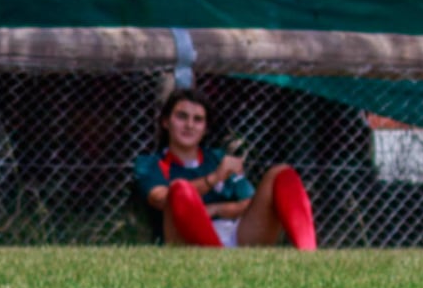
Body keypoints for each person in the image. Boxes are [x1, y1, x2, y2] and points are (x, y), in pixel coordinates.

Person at [132, 87, 317, 249]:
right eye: (182, 117)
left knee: (281, 173)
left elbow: (249, 203)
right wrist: (215, 178)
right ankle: (217, 260)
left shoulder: (218, 157)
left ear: (205, 129)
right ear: (166, 122)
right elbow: (160, 199)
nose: (189, 125)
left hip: (237, 234)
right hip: (186, 241)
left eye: (198, 120)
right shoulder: (150, 163)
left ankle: (309, 255)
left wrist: (216, 209)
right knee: (180, 189)